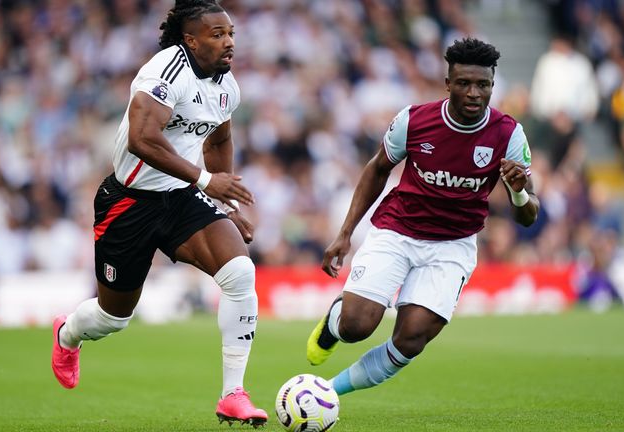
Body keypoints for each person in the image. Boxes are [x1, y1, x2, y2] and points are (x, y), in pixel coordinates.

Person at [51, 0, 268, 427]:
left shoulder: (227, 86)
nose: (229, 43)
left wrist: (223, 202)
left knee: (241, 274)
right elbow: (142, 140)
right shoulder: (164, 73)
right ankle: (67, 334)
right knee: (113, 317)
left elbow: (219, 140)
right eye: (217, 34)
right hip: (128, 202)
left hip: (181, 197)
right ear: (190, 39)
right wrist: (208, 182)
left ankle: (233, 394)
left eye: (231, 34)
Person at [306, 38, 540, 397]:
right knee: (356, 326)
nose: (475, 93)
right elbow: (377, 169)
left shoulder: (509, 134)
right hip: (398, 230)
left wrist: (520, 190)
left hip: (453, 246)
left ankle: (326, 393)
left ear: (493, 85)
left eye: (483, 85)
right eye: (464, 83)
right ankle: (333, 325)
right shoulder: (414, 120)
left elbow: (528, 216)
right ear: (448, 83)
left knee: (411, 340)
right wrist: (345, 233)